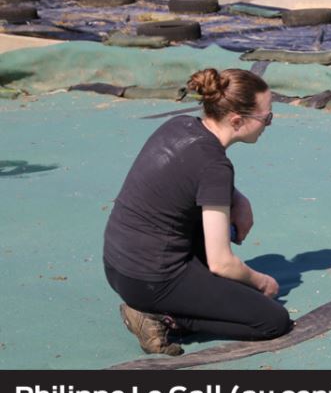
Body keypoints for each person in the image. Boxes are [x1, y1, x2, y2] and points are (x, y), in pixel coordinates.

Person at [103, 68, 291, 355]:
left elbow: (193, 174)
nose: (268, 123)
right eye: (267, 118)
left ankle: (161, 305)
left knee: (220, 229)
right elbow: (221, 263)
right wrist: (262, 282)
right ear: (237, 120)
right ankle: (162, 319)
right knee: (272, 320)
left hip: (118, 266)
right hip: (151, 281)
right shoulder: (215, 167)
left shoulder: (180, 125)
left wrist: (238, 199)